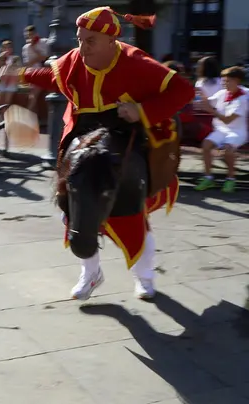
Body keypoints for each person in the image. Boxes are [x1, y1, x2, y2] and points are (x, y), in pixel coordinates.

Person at [15, 6, 194, 300]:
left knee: (133, 211)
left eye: (90, 42)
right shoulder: (76, 58)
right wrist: (22, 74)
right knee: (72, 208)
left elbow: (183, 91)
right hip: (84, 132)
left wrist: (141, 110)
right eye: (79, 40)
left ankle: (144, 276)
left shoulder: (137, 62)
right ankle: (91, 273)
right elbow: (55, 78)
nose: (82, 49)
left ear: (112, 42)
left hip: (126, 132)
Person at [194, 66, 248, 193]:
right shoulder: (222, 93)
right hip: (221, 131)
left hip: (237, 132)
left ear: (237, 81)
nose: (224, 83)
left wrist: (210, 110)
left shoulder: (243, 99)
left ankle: (231, 179)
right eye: (223, 81)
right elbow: (207, 102)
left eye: (227, 81)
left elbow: (228, 120)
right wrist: (199, 97)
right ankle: (208, 178)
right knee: (206, 145)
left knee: (228, 150)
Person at [22, 25, 49, 112]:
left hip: (44, 72)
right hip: (33, 73)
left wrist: (34, 48)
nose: (30, 37)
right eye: (28, 35)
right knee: (33, 96)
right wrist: (38, 57)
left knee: (37, 96)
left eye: (31, 34)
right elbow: (27, 63)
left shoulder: (43, 42)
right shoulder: (25, 48)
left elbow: (44, 57)